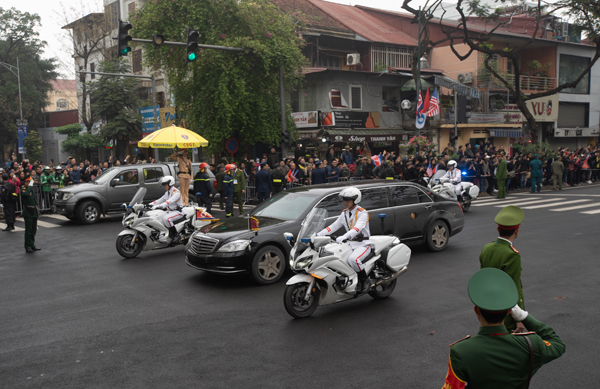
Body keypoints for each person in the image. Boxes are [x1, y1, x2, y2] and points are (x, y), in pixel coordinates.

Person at [442, 268, 565, 389]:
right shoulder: (531, 345)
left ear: (476, 310)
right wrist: (524, 316)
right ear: (509, 312)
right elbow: (558, 345)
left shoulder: (461, 351)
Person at [316, 187, 372, 293]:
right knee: (336, 257)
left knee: (353, 259)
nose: (345, 202)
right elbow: (333, 226)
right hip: (349, 244)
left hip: (362, 244)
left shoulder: (362, 213)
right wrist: (318, 234)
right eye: (344, 199)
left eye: (348, 200)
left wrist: (345, 236)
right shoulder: (345, 213)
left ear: (355, 200)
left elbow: (357, 228)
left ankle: (365, 280)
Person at [479, 205, 525, 333]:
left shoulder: (486, 248)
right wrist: (519, 318)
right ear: (517, 231)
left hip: (487, 306)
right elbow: (514, 288)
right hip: (505, 310)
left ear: (497, 228)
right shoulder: (512, 255)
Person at [150, 176, 184, 245]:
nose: (164, 186)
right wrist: (150, 204)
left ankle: (175, 235)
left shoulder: (176, 192)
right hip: (171, 211)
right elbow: (160, 200)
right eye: (163, 184)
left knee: (166, 218)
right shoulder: (168, 192)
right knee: (158, 216)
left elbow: (169, 201)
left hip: (178, 211)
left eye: (165, 184)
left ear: (170, 184)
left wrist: (159, 206)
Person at [21, 175, 41, 253]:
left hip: (33, 212)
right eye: (28, 182)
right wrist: (29, 187)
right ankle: (27, 246)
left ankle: (32, 245)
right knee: (28, 230)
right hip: (28, 212)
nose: (30, 183)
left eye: (30, 182)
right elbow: (25, 194)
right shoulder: (24, 189)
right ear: (25, 182)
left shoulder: (30, 190)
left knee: (33, 230)